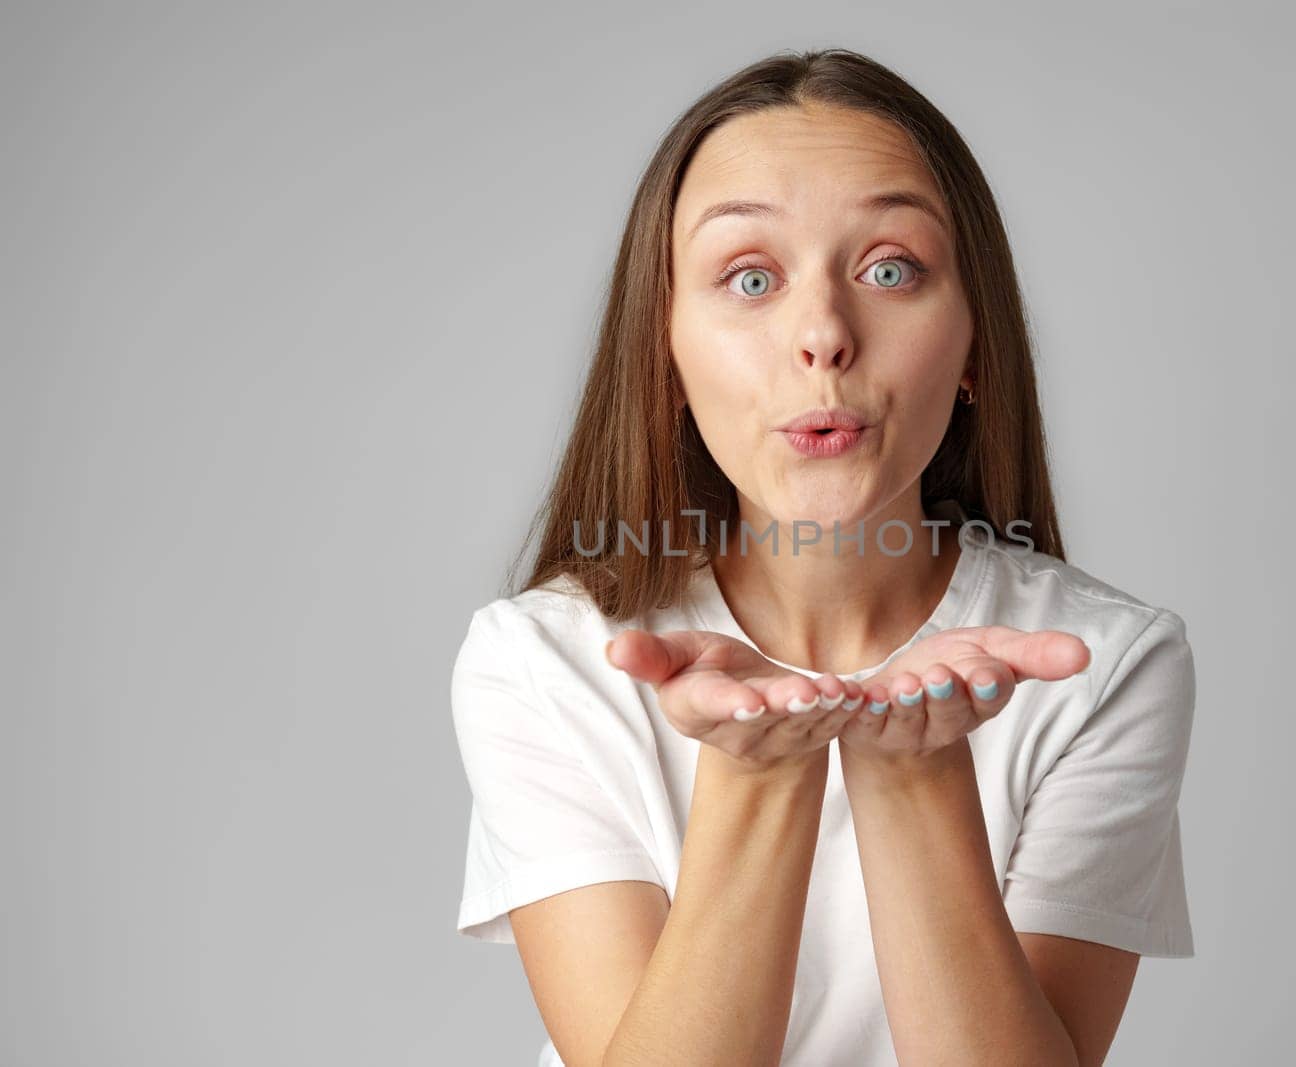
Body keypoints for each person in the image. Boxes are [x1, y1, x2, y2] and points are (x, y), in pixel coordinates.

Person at [449, 47, 1196, 1067]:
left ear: (976, 343)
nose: (823, 335)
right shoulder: (545, 660)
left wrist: (917, 771)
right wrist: (758, 773)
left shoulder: (1104, 660)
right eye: (749, 277)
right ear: (662, 351)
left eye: (889, 269)